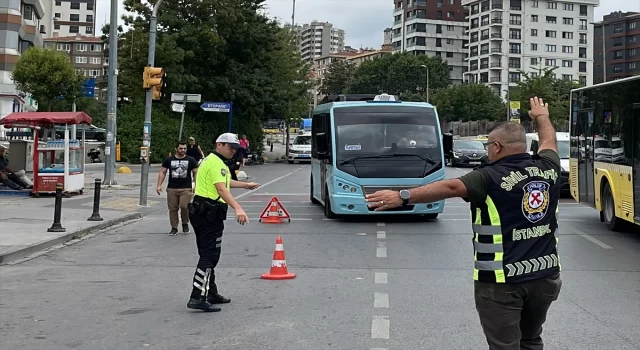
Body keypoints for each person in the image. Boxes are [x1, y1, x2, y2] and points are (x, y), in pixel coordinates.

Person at [366, 97, 563, 350]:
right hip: (545, 276)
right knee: (531, 339)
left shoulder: (488, 177)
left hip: (502, 281)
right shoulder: (549, 168)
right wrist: (541, 116)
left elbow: (450, 186)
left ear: (496, 147)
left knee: (505, 346)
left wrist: (402, 196)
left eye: (490, 147)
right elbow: (549, 141)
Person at [186, 132, 260, 312]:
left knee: (210, 253)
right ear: (219, 144)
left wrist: (245, 185)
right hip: (207, 212)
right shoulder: (215, 163)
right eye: (230, 147)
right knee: (209, 255)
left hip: (207, 212)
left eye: (236, 148)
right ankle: (197, 296)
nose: (233, 151)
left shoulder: (214, 162)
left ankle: (210, 291)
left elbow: (224, 183)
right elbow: (221, 189)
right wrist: (238, 207)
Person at [157, 141, 199, 235]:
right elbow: (163, 172)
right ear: (176, 149)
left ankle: (185, 223)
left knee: (184, 206)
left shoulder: (191, 160)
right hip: (172, 188)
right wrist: (159, 185)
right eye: (181, 148)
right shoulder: (169, 160)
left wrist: (195, 184)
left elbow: (196, 172)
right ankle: (174, 227)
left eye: (184, 148)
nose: (183, 150)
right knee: (173, 209)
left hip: (186, 188)